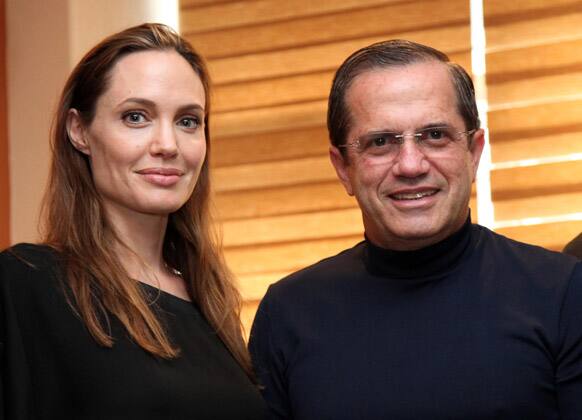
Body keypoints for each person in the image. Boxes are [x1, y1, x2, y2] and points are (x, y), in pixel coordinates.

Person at [249, 39, 582, 419]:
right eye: (380, 142)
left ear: (474, 153)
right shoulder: (288, 313)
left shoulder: (564, 294)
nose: (411, 165)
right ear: (343, 168)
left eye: (435, 135)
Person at [0, 23, 265, 419]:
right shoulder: (25, 282)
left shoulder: (210, 300)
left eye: (188, 121)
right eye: (136, 117)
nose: (168, 145)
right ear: (79, 132)